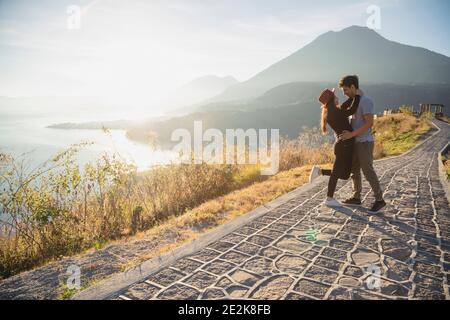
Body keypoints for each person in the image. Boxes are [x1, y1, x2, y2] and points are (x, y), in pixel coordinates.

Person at [337, 75, 386, 213]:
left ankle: (379, 200)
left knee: (368, 171)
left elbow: (369, 123)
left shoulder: (365, 101)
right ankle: (356, 197)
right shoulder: (354, 101)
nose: (345, 93)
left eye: (346, 90)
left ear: (353, 87)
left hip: (364, 142)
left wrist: (351, 135)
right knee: (354, 170)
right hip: (356, 142)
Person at [309, 88, 360, 207]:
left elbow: (345, 106)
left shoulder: (334, 110)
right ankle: (329, 198)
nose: (338, 97)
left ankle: (319, 171)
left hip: (345, 146)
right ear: (332, 99)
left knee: (344, 175)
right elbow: (352, 109)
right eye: (335, 96)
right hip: (343, 147)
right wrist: (357, 96)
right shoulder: (334, 112)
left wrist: (351, 98)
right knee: (337, 173)